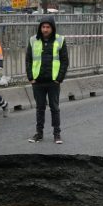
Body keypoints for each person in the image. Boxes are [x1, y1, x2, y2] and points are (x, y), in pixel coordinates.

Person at [25, 16, 69, 144]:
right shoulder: (33, 40)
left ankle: (57, 134)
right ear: (40, 28)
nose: (45, 29)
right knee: (40, 108)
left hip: (53, 81)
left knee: (54, 108)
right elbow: (28, 60)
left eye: (48, 27)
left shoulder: (60, 40)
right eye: (43, 27)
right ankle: (39, 134)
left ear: (52, 28)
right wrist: (31, 77)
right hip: (38, 81)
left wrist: (59, 79)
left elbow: (64, 61)